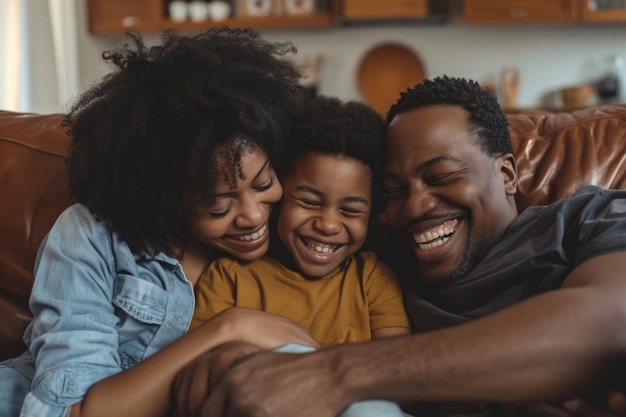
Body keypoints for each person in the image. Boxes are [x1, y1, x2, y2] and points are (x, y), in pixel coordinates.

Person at [175, 75, 626, 417]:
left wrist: (334, 373)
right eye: (392, 191)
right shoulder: (387, 259)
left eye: (442, 176)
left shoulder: (588, 219)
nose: (414, 206)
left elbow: (609, 319)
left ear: (507, 173)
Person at [0, 27, 319, 417]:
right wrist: (229, 327)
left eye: (264, 182)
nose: (253, 215)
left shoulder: (301, 228)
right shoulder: (90, 236)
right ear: (168, 198)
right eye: (218, 206)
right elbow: (69, 410)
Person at [189, 95, 410, 344]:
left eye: (350, 210)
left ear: (372, 213)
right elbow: (205, 368)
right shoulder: (228, 278)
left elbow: (395, 365)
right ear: (281, 192)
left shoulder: (372, 279)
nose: (328, 225)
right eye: (309, 202)